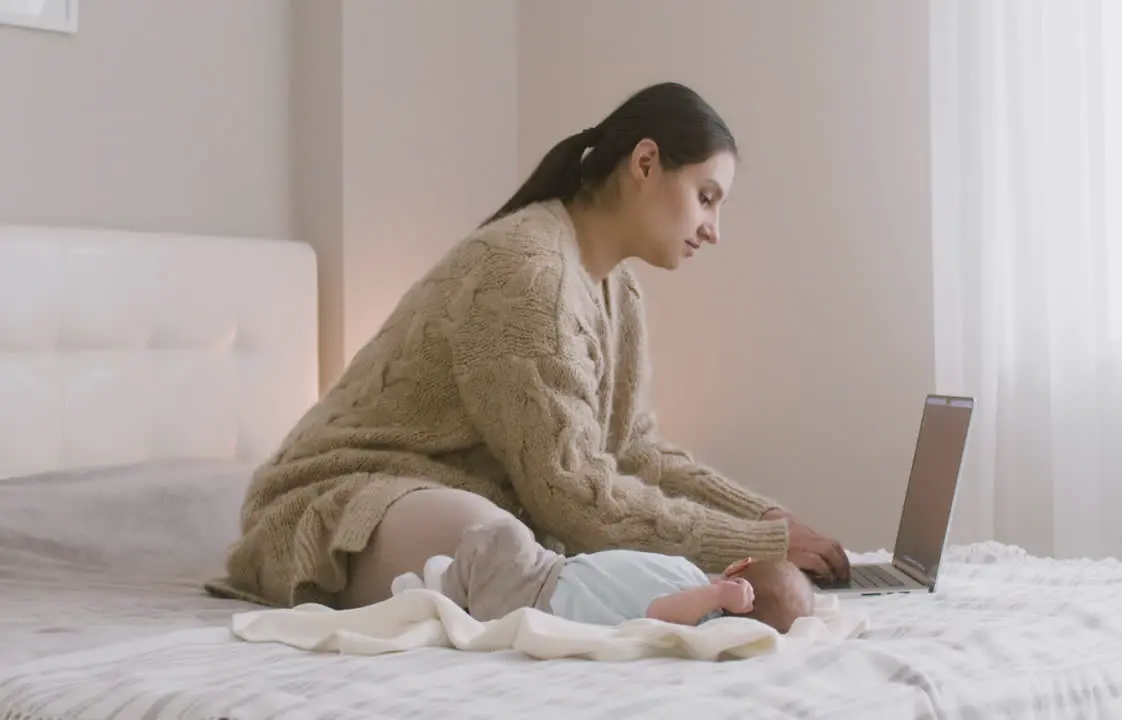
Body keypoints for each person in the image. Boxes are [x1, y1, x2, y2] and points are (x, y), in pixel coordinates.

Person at [204, 80, 851, 611]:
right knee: (497, 542)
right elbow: (570, 493)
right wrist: (752, 544)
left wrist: (767, 518)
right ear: (646, 163)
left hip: (456, 507)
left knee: (516, 547)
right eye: (707, 197)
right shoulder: (527, 268)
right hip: (339, 502)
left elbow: (634, 451)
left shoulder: (616, 290)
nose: (714, 229)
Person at [392, 514, 815, 634]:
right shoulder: (691, 577)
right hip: (553, 572)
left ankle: (438, 591)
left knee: (503, 534)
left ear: (738, 568)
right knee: (514, 540)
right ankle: (454, 587)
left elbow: (660, 615)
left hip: (536, 593)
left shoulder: (698, 610)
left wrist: (714, 596)